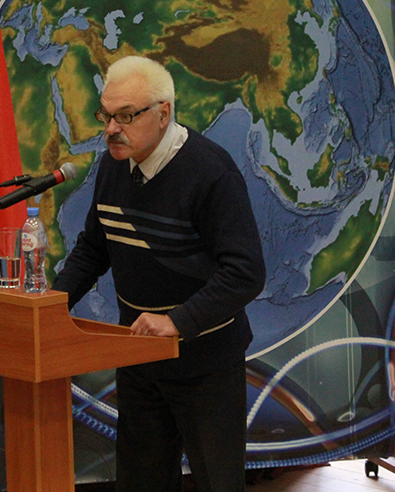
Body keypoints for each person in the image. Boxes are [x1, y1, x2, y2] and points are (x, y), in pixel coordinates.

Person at [52, 55, 266, 492]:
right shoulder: (113, 164)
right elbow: (95, 247)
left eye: (126, 116)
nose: (111, 129)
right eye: (106, 115)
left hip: (206, 363)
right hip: (139, 356)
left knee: (218, 484)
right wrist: (53, 304)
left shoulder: (211, 172)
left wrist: (177, 321)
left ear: (164, 113)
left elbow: (245, 272)